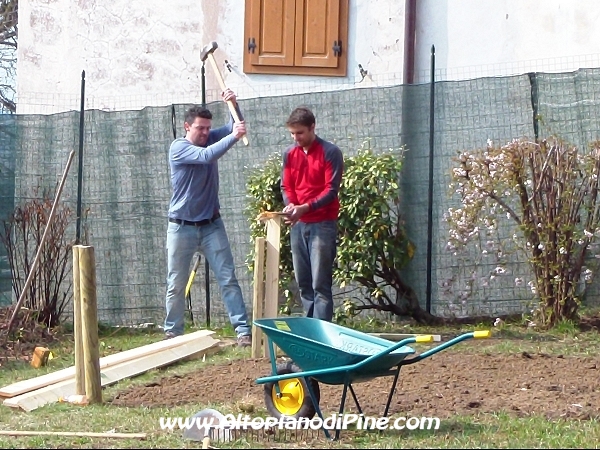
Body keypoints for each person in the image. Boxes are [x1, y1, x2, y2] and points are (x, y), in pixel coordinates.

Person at [163, 88, 252, 347]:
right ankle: (173, 333)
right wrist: (234, 136)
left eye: (207, 128)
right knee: (176, 282)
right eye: (200, 128)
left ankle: (243, 331)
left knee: (228, 278)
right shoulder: (179, 148)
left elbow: (234, 124)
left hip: (212, 224)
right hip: (181, 227)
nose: (205, 133)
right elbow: (207, 156)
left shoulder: (209, 138)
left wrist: (233, 103)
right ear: (187, 126)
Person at [280, 106, 344, 322]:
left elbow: (331, 190)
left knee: (320, 284)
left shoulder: (330, 152)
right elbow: (286, 186)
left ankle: (322, 336)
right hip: (298, 225)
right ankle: (309, 335)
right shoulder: (289, 154)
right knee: (304, 283)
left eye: (300, 133)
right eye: (292, 133)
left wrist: (304, 208)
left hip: (322, 224)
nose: (296, 138)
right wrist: (290, 206)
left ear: (312, 128)